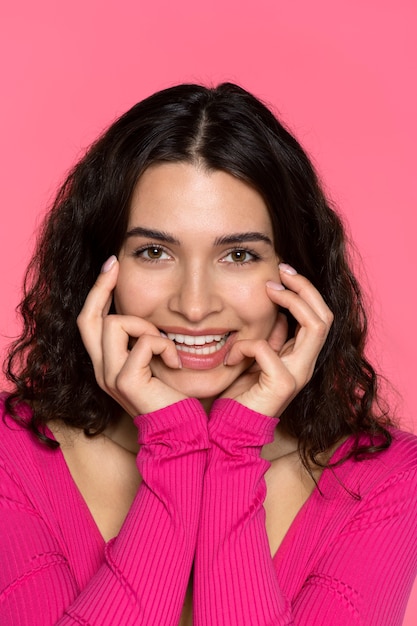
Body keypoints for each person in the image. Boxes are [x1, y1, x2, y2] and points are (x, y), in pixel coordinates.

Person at [1, 82, 416, 626]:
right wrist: (175, 446)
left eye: (239, 255)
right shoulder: (12, 460)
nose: (194, 306)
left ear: (299, 274)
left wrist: (234, 446)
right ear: (99, 271)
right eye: (154, 252)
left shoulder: (384, 480)